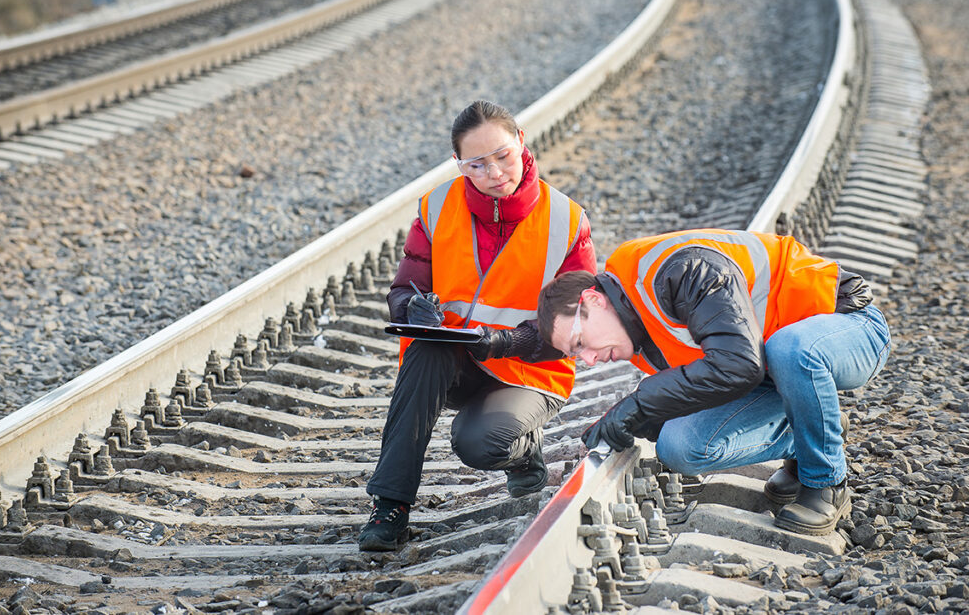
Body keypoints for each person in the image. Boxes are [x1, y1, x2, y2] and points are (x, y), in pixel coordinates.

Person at [536, 228, 890, 535]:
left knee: (788, 348)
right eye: (575, 354)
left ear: (594, 301)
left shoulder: (683, 271)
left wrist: (639, 403)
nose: (589, 359)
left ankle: (827, 482)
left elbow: (737, 365)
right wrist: (644, 419)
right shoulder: (635, 325)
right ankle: (810, 435)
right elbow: (712, 378)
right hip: (770, 370)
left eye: (580, 343)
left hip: (847, 325)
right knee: (679, 446)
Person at [357, 101, 597, 551]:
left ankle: (525, 452)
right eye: (477, 164)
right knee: (424, 349)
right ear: (459, 164)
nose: (494, 172)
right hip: (454, 362)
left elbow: (577, 323)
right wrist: (413, 310)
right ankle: (390, 506)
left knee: (479, 444)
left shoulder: (565, 220)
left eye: (503, 155)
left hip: (529, 371)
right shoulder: (437, 206)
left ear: (521, 142)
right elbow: (404, 287)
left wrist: (505, 341)